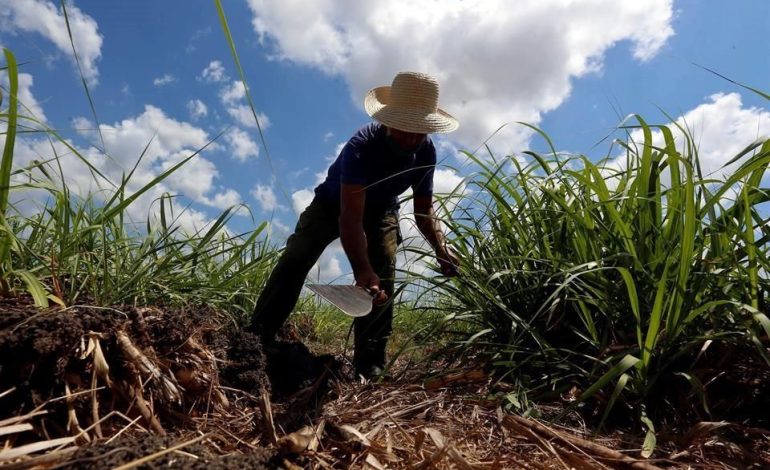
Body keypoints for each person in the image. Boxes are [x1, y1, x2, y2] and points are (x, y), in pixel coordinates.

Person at [249, 71, 460, 379]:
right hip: (333, 204)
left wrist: (441, 248)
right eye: (404, 129)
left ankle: (369, 362)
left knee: (384, 271)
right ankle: (257, 337)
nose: (412, 138)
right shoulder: (361, 146)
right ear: (388, 120)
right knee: (297, 257)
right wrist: (361, 270)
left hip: (384, 208)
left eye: (420, 131)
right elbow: (349, 217)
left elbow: (424, 208)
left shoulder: (426, 152)